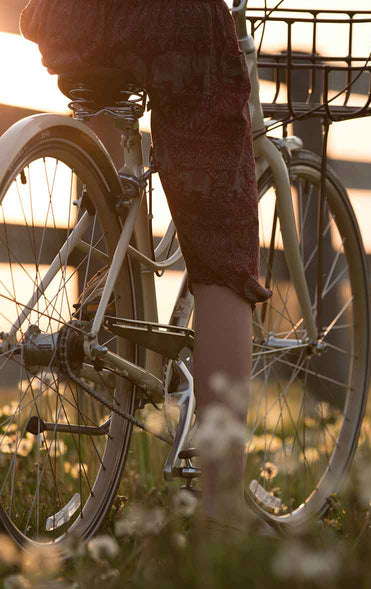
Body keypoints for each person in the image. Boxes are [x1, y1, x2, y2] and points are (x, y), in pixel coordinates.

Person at [19, 0, 271, 522]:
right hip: (171, 19)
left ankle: (109, 312)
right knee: (223, 244)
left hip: (64, 16)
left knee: (109, 183)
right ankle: (223, 508)